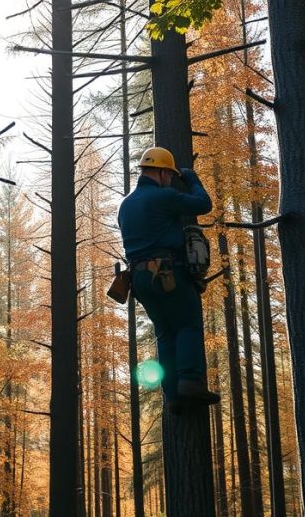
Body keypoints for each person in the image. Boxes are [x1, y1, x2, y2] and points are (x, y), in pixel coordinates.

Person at [117, 146, 220, 410]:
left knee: (165, 332)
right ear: (162, 172)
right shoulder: (163, 197)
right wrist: (192, 179)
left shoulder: (126, 204)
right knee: (187, 324)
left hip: (139, 280)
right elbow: (203, 204)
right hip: (167, 273)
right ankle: (189, 381)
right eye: (170, 176)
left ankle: (173, 396)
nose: (171, 180)